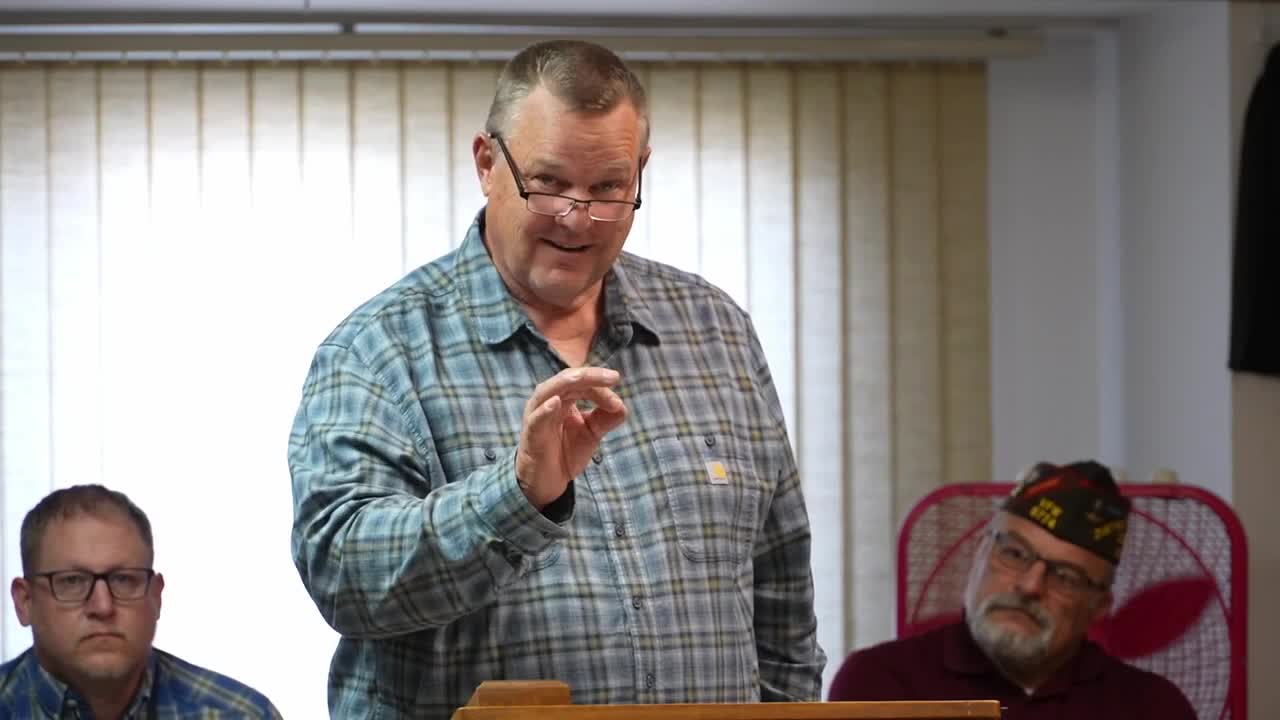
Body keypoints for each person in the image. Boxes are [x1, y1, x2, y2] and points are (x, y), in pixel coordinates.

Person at [288, 39, 824, 719]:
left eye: (608, 188)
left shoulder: (715, 330)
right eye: (549, 183)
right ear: (487, 163)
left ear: (640, 172)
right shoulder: (378, 350)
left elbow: (782, 601)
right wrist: (517, 497)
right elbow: (344, 579)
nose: (579, 217)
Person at [828, 460, 1196, 719]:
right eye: (1015, 554)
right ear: (979, 554)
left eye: (1065, 577)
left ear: (1099, 606)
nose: (1029, 585)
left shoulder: (1153, 707)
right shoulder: (881, 683)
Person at [0, 484, 281, 719]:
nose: (103, 607)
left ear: (156, 597)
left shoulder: (238, 715)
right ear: (25, 602)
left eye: (124, 580)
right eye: (73, 581)